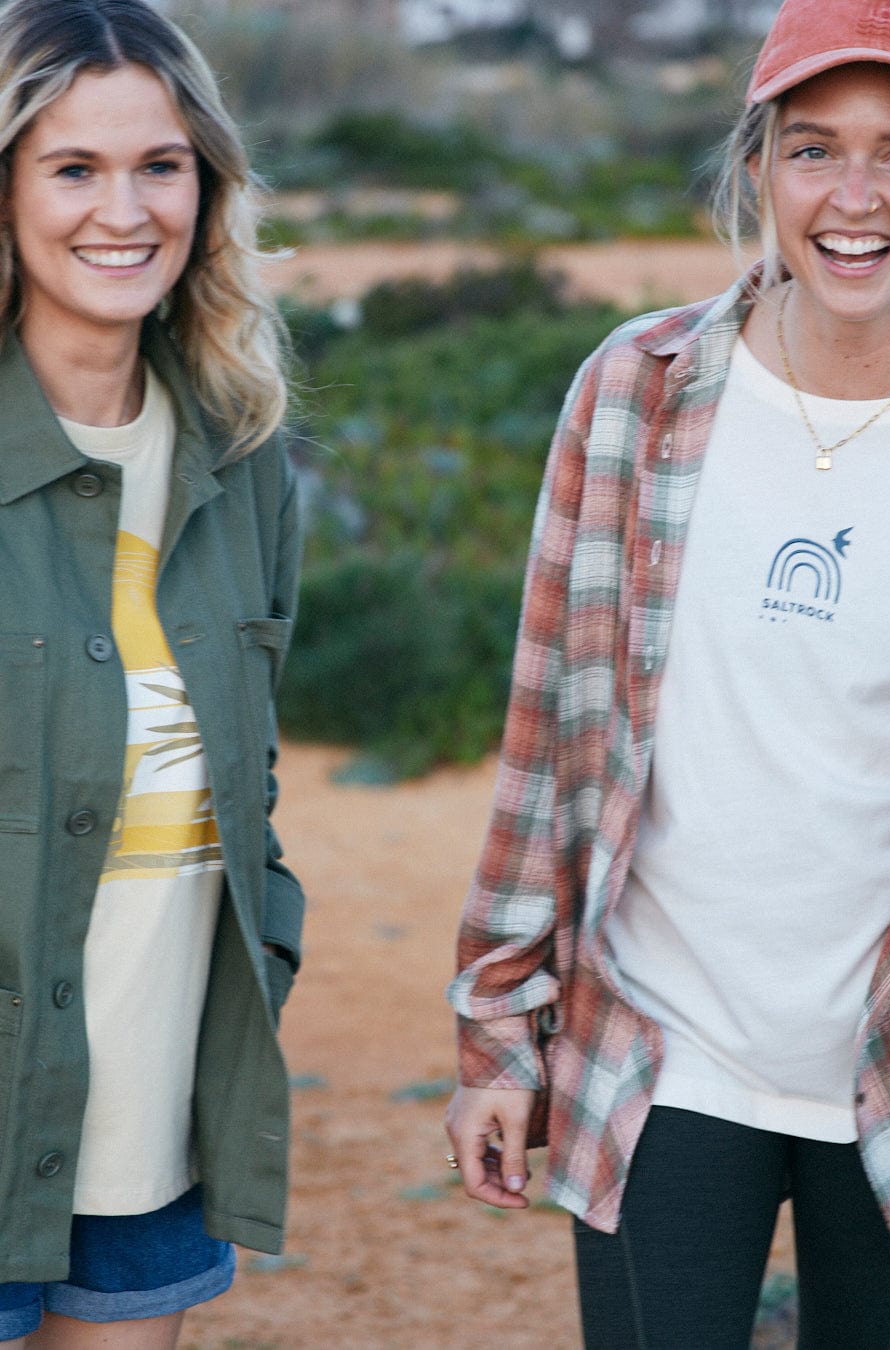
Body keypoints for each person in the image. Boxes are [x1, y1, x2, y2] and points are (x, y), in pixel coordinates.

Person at [445, 0, 890, 1344]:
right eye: (812, 149)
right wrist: (501, 1029)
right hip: (657, 1051)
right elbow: (549, 734)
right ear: (757, 168)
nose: (856, 198)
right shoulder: (638, 390)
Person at [0, 1, 305, 1345]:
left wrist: (270, 934)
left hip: (154, 1115)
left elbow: (255, 773)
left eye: (160, 165)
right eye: (73, 167)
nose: (124, 210)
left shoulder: (241, 461)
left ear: (208, 184)